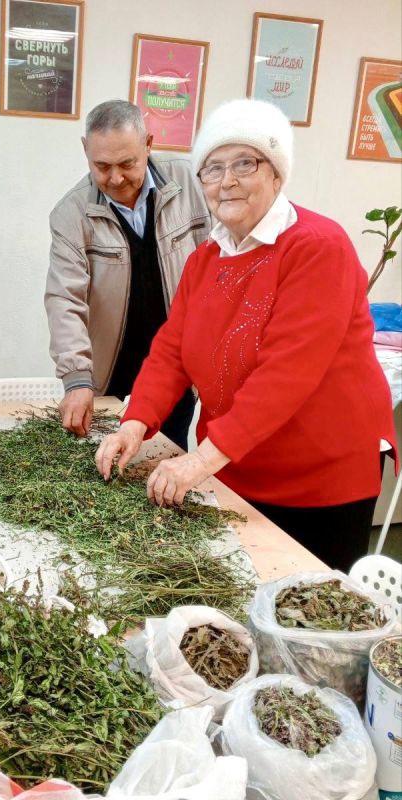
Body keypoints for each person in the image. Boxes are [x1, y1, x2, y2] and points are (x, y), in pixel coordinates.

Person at [95, 98, 397, 572]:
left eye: (244, 163)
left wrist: (196, 463)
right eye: (212, 169)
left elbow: (286, 375)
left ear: (276, 174)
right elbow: (172, 350)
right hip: (236, 467)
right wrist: (134, 423)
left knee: (307, 622)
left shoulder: (317, 247)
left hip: (317, 481)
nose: (226, 181)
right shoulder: (207, 259)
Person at [45, 100, 210, 449]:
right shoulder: (70, 214)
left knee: (164, 456)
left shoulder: (192, 184)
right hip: (110, 373)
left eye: (127, 164)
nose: (115, 178)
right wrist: (77, 381)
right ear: (85, 150)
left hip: (176, 371)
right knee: (104, 466)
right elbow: (64, 299)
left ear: (148, 145)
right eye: (101, 166)